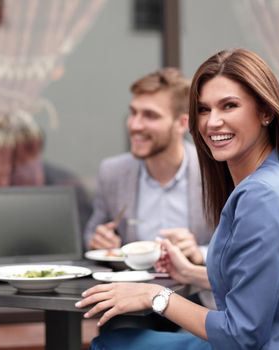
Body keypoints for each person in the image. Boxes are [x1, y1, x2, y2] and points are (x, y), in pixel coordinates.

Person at [76, 49, 279, 349]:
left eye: (229, 106)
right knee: (119, 337)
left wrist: (153, 295)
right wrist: (190, 273)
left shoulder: (262, 196)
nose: (212, 122)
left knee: (112, 344)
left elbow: (241, 333)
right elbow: (267, 285)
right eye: (204, 110)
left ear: (266, 112)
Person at [84, 68, 213, 268]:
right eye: (133, 113)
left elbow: (237, 246)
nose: (135, 125)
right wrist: (100, 241)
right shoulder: (112, 172)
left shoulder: (214, 171)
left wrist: (200, 252)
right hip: (132, 292)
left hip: (195, 295)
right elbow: (91, 235)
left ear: (182, 123)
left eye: (150, 116)